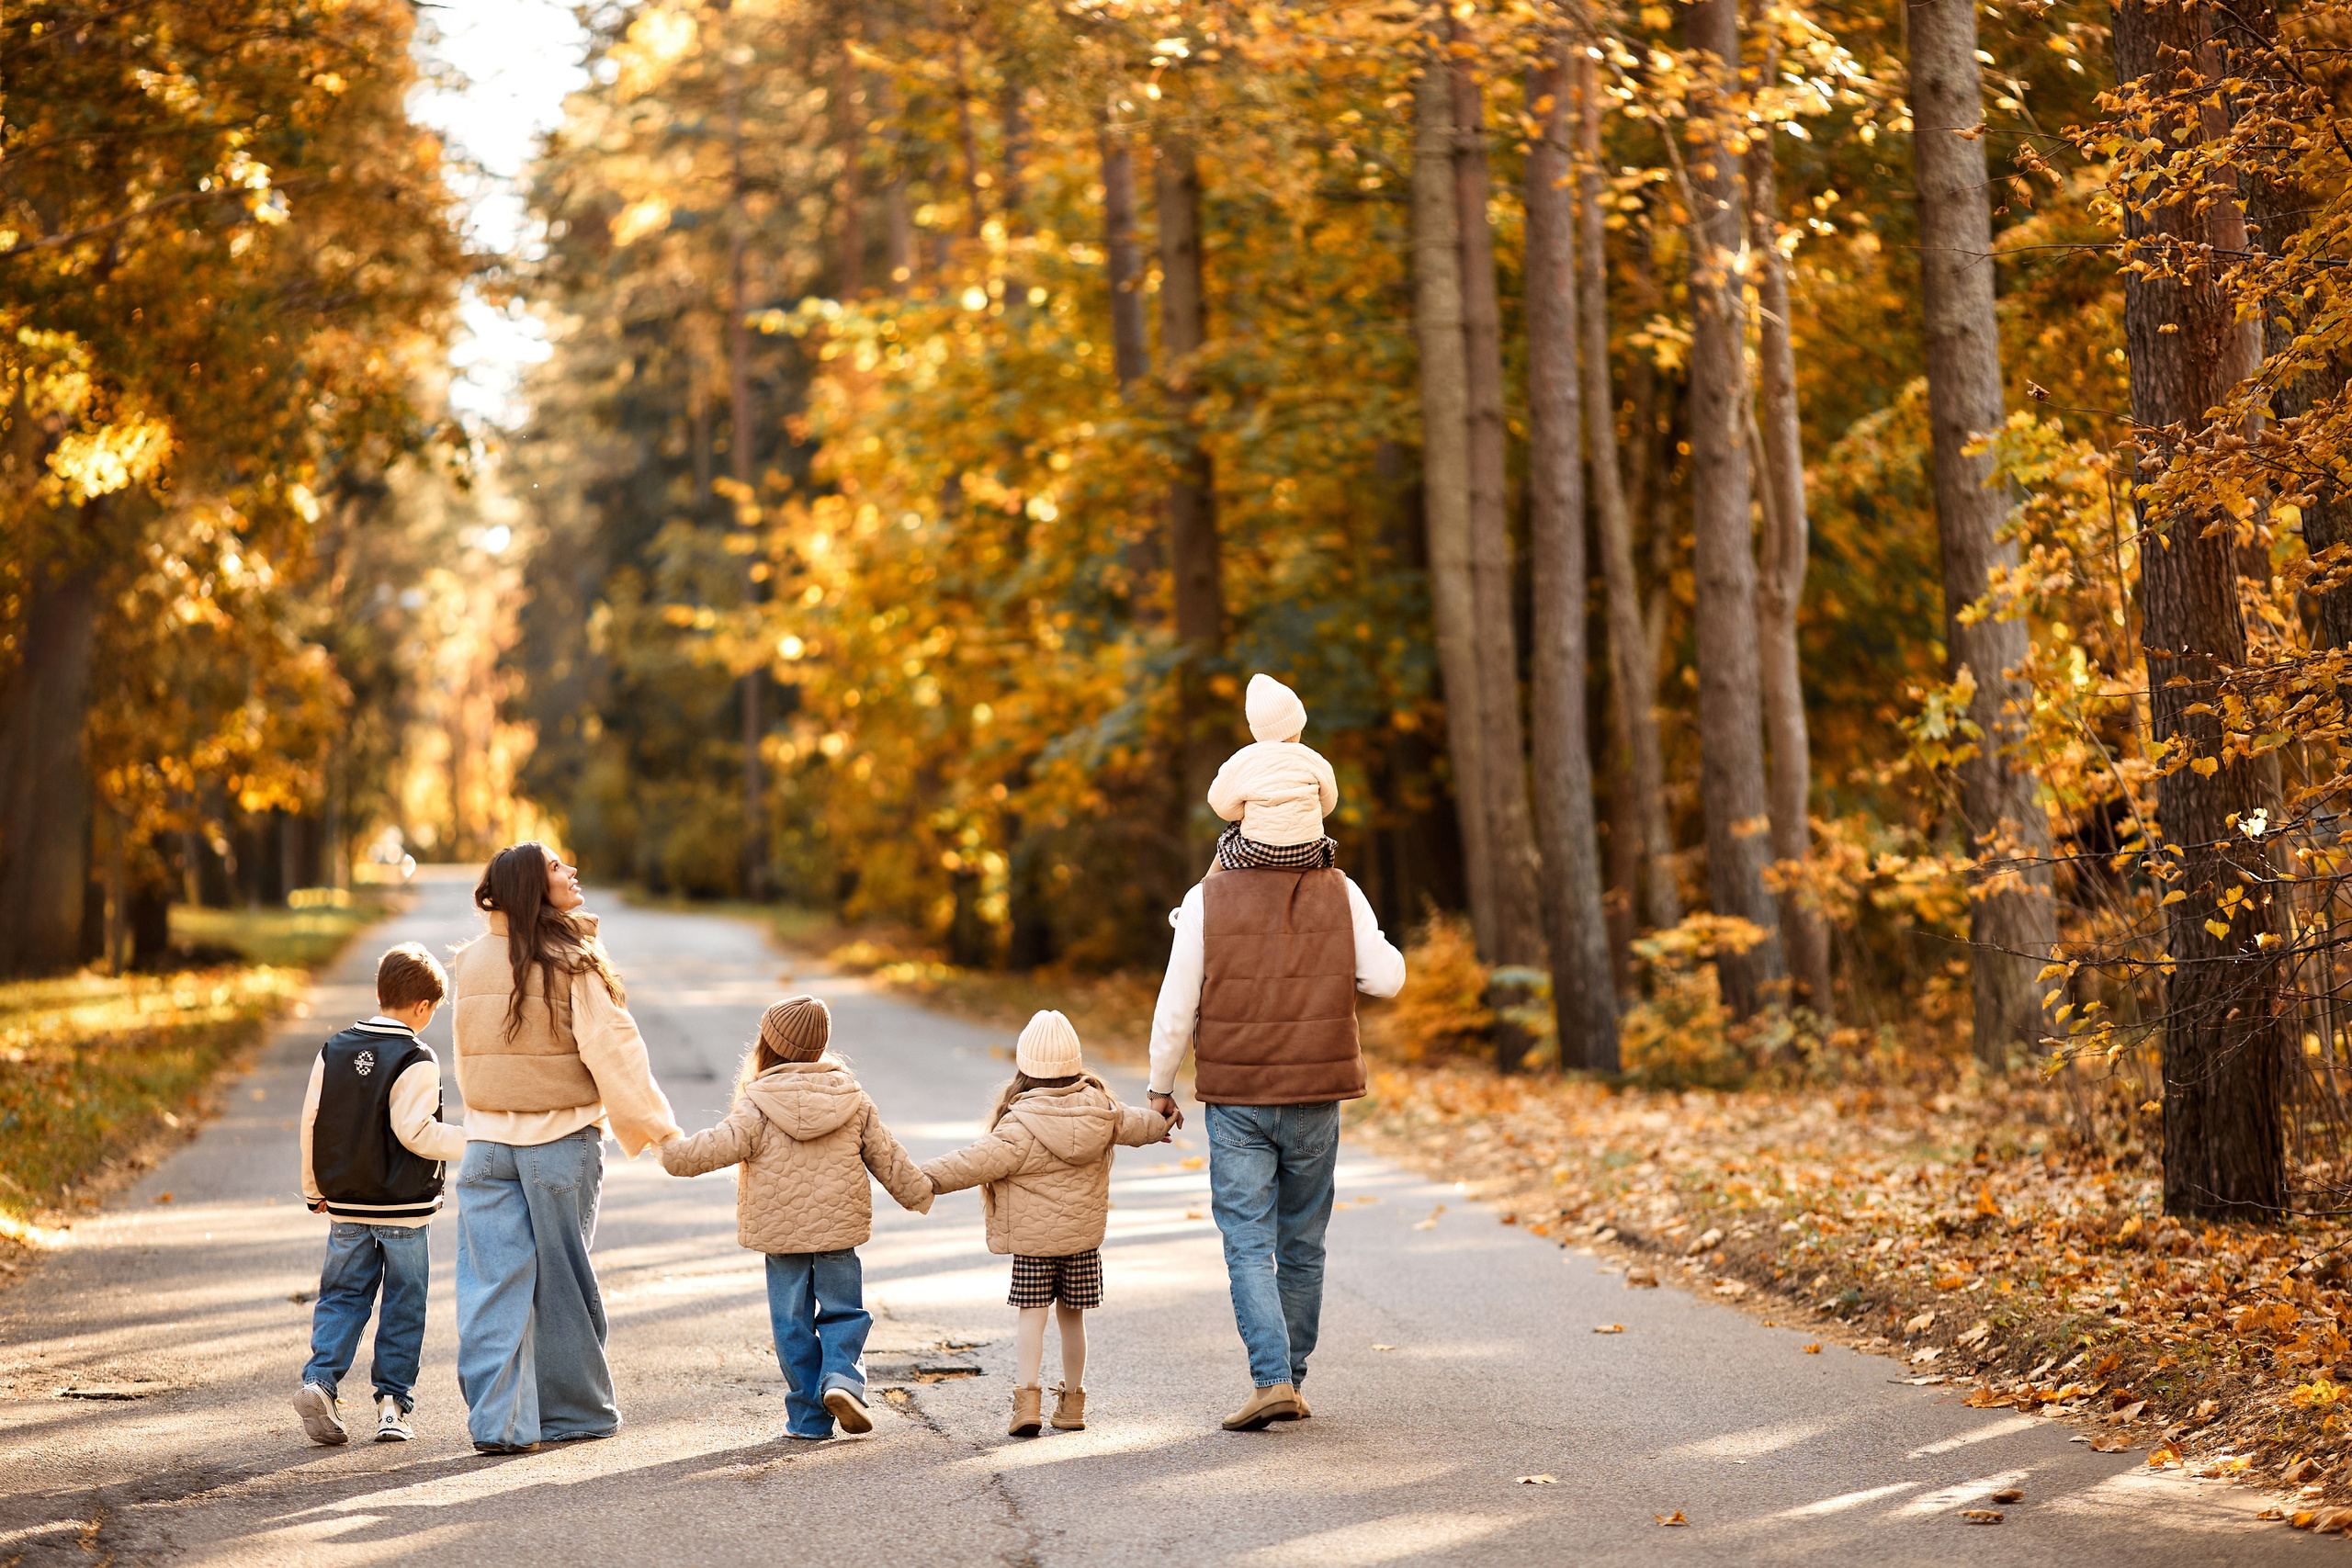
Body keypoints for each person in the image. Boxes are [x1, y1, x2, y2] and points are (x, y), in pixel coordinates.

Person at [1148, 674, 1408, 1431]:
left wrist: (1161, 1086)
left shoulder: (1208, 897)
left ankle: (1270, 1378)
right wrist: (1346, 956)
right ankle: (1290, 1377)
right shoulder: (1341, 891)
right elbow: (1387, 978)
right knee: (1303, 1244)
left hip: (1237, 1098)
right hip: (1317, 1092)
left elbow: (1177, 1005)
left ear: (1244, 809)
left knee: (1246, 1240)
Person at [447, 841, 681, 1454]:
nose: (571, 871)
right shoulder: (573, 960)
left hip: (486, 1147)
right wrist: (660, 1132)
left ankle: (499, 1422)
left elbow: (468, 1057)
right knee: (563, 1283)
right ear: (533, 887)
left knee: (490, 1287)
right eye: (556, 867)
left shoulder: (469, 962)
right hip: (559, 1145)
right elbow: (615, 1050)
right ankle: (574, 1413)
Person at [659, 996, 933, 1441]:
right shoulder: (852, 1098)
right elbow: (887, 1156)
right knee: (844, 1310)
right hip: (838, 1229)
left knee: (792, 1324)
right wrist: (919, 1190)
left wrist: (669, 1149)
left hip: (780, 1234)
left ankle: (808, 1420)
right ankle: (842, 1378)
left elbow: (715, 1146)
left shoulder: (756, 1102)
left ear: (767, 1046)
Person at [921, 1010, 1170, 1438]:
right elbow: (1139, 1123)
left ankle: (1027, 1403)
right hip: (1082, 1241)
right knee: (1073, 1320)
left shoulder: (1019, 1124)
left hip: (1033, 1244)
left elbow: (972, 1162)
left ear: (1025, 1066)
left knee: (1031, 1319)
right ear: (1075, 1062)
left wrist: (922, 1178)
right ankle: (1073, 1405)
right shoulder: (1102, 1111)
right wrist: (1163, 1119)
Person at [293, 942, 469, 1445]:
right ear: (424, 1007)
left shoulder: (334, 1049)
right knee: (404, 1303)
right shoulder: (417, 1057)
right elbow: (416, 1132)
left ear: (379, 993)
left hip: (346, 1202)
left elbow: (312, 1123)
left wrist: (314, 1188)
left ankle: (320, 1381)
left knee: (342, 1294)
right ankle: (392, 1404)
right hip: (404, 1209)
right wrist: (473, 1140)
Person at [1204, 672, 1340, 871]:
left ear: (1256, 731)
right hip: (1308, 852)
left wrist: (1246, 813)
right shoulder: (1314, 759)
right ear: (1299, 724)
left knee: (1229, 836)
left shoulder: (1243, 760)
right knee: (1320, 837)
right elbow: (1328, 804)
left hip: (1256, 851)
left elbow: (1220, 804)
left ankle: (1206, 884)